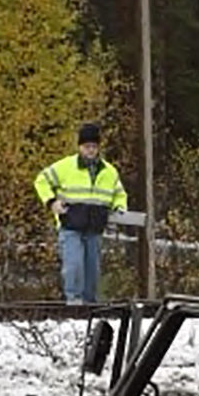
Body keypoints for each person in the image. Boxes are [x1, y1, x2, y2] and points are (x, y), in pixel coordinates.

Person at [34, 123, 127, 304]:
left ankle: (89, 305)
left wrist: (119, 208)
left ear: (98, 147)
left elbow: (119, 193)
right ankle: (73, 303)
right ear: (80, 147)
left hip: (95, 227)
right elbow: (41, 180)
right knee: (74, 266)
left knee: (92, 270)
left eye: (93, 146)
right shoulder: (65, 166)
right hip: (71, 225)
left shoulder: (109, 171)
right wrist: (51, 202)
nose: (90, 150)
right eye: (86, 146)